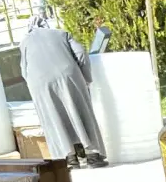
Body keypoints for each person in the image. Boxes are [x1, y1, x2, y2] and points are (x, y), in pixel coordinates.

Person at [20, 11, 108, 168]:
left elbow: (24, 69)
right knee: (81, 111)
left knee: (54, 118)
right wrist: (86, 77)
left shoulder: (24, 42)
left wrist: (35, 88)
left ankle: (69, 159)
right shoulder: (61, 34)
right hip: (68, 75)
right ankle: (92, 156)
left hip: (40, 84)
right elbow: (81, 53)